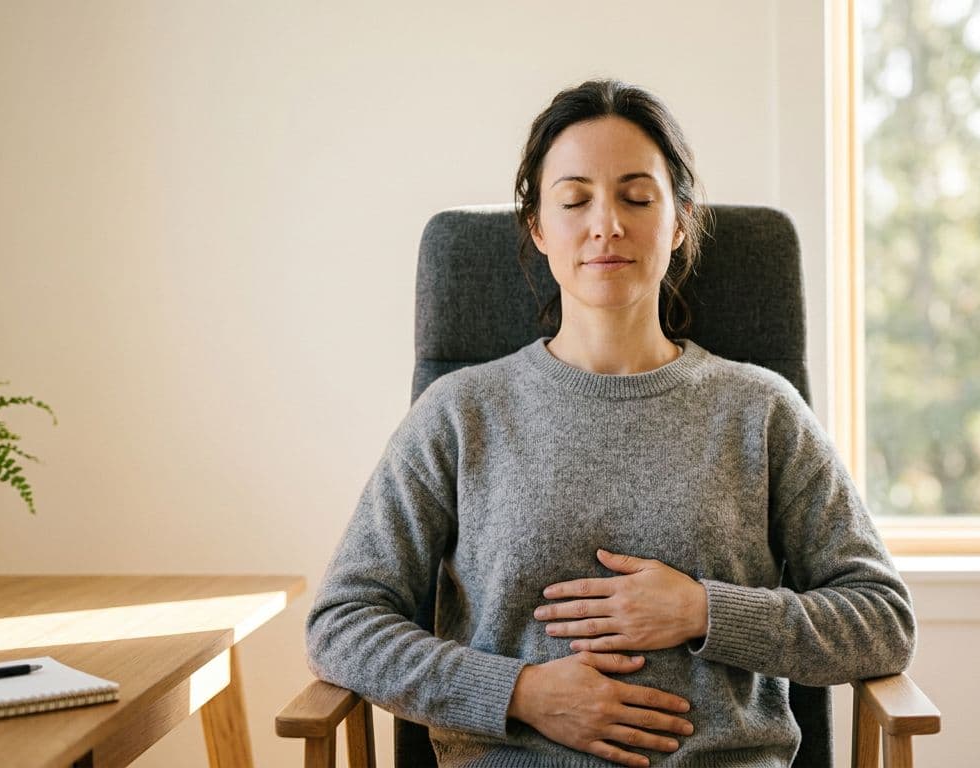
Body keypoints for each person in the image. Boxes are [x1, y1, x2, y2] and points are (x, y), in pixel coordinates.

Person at [307, 79, 916, 768]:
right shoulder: (460, 412)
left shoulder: (761, 410)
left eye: (637, 197)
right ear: (537, 226)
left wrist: (703, 611)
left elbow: (881, 622)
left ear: (680, 220)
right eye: (574, 200)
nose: (607, 225)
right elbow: (342, 624)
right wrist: (520, 692)